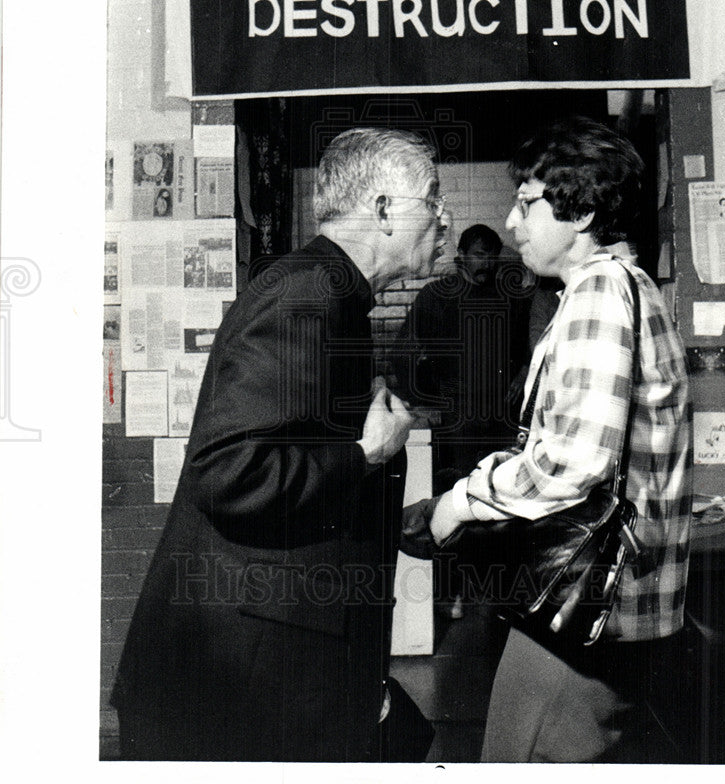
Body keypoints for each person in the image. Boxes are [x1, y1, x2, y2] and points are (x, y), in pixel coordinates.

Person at [111, 127, 448, 761]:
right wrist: (365, 454)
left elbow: (291, 466)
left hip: (271, 675)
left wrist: (382, 517)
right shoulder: (306, 294)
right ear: (382, 210)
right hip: (238, 691)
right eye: (432, 198)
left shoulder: (332, 295)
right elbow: (228, 471)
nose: (444, 216)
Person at [404, 117, 692, 762]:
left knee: (516, 762)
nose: (511, 223)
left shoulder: (597, 294)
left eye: (527, 202)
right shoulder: (627, 288)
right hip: (606, 607)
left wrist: (460, 502)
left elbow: (570, 462)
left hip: (587, 609)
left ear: (582, 210)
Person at [395, 224, 532, 489]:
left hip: (502, 415)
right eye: (480, 255)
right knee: (460, 487)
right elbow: (402, 354)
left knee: (502, 488)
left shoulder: (510, 298)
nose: (488, 263)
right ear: (462, 254)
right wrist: (422, 402)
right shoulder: (435, 296)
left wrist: (524, 371)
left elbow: (531, 343)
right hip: (457, 417)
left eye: (493, 256)